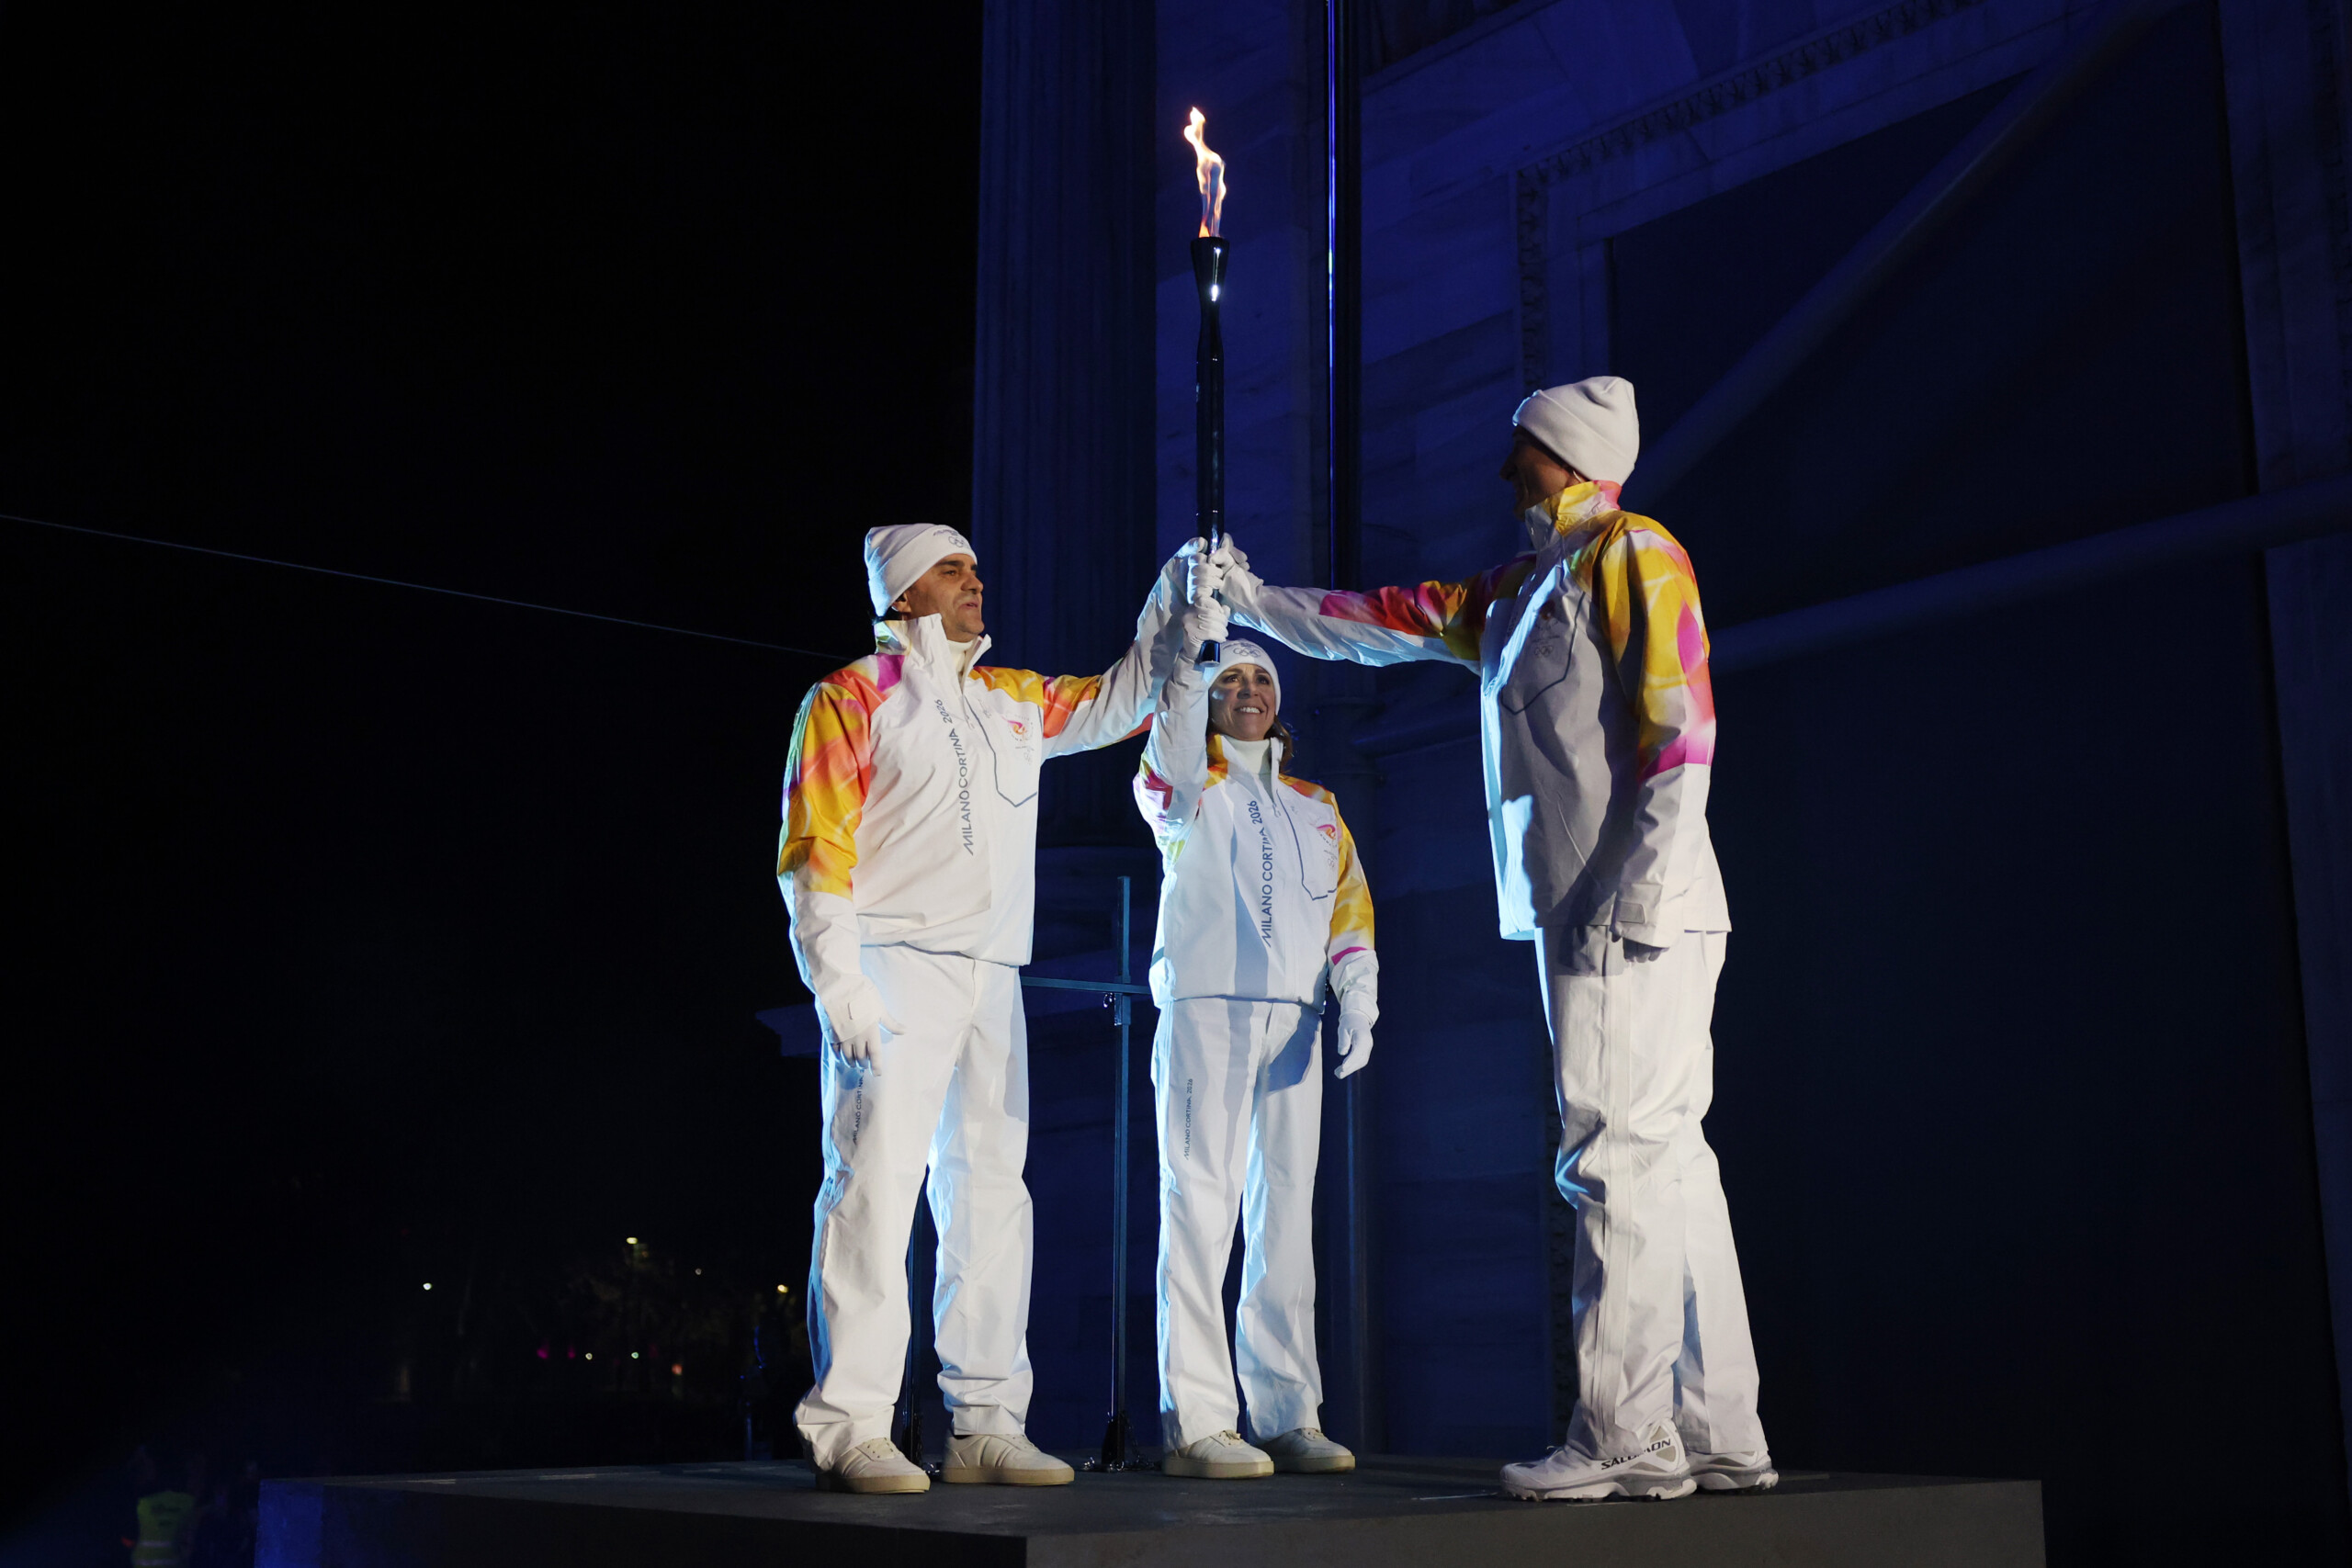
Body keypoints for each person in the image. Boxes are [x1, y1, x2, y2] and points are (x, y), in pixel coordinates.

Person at [1213, 378, 1772, 1501]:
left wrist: (1638, 888)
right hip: (1587, 902)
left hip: (1630, 904)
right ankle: (1720, 1433)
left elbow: (1682, 730)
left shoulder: (1632, 549)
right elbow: (1380, 624)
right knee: (1670, 1162)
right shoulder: (1520, 585)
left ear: (1565, 455)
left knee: (1609, 1151)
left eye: (1520, 450)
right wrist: (1256, 600)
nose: (1503, 468)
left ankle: (1624, 1436)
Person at [778, 522, 1182, 1495]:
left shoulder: (1012, 700)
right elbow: (813, 849)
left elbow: (1122, 702)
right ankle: (852, 1425)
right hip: (892, 962)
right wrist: (836, 979)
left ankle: (985, 1421)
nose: (976, 581)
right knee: (875, 1190)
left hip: (991, 971)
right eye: (952, 570)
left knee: (993, 1196)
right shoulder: (849, 697)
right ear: (904, 592)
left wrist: (1174, 606)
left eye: (973, 566)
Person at [1132, 561, 1376, 1480]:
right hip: (1205, 1015)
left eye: (1259, 680)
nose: (1246, 692)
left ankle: (1287, 1410)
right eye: (1229, 680)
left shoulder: (1318, 807)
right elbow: (1165, 756)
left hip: (1294, 1026)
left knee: (1285, 1225)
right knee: (1200, 1210)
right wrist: (1192, 652)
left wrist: (1359, 992)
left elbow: (1349, 906)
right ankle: (1198, 1420)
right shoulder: (1183, 791)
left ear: (1279, 703)